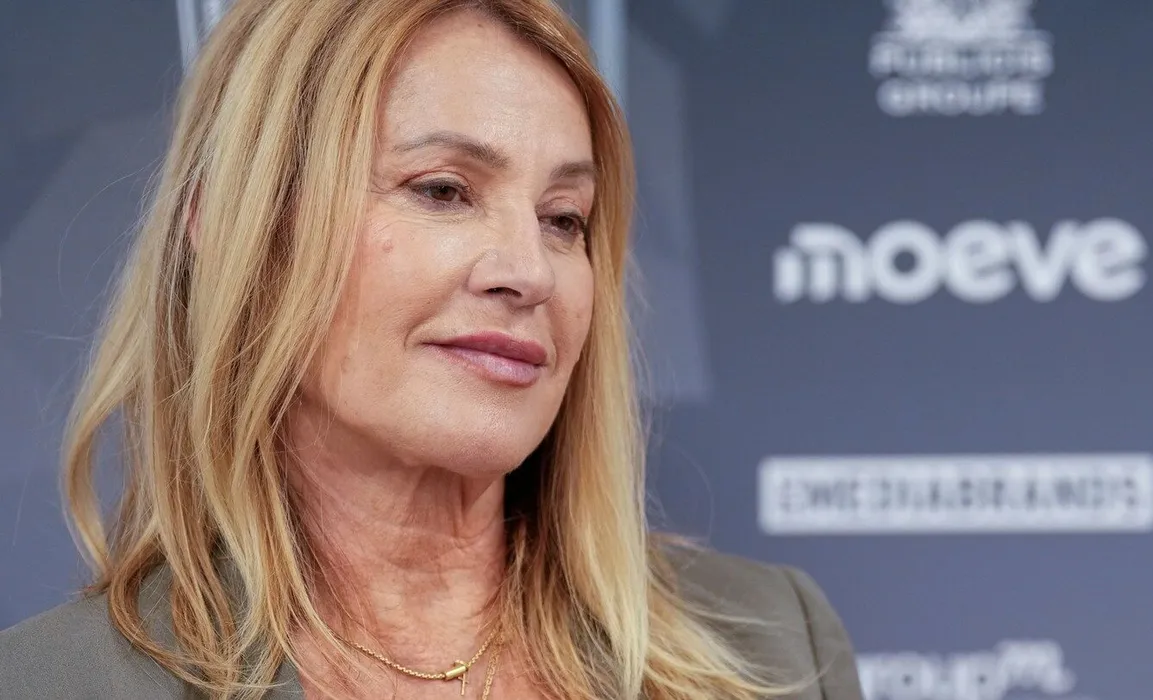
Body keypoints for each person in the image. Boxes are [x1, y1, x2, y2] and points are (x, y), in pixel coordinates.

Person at [0, 1, 864, 698]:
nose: (528, 271)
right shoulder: (48, 684)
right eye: (443, 190)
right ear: (234, 228)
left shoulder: (779, 646)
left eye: (564, 219)